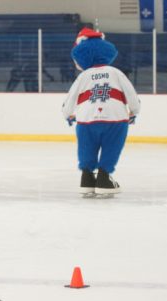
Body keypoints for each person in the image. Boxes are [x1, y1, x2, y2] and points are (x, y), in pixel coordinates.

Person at [62, 28, 140, 197]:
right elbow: (131, 94)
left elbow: (70, 99)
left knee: (86, 147)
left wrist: (67, 114)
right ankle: (104, 177)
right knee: (111, 147)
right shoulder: (116, 73)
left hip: (86, 119)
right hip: (115, 118)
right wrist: (134, 111)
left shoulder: (83, 76)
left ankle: (87, 178)